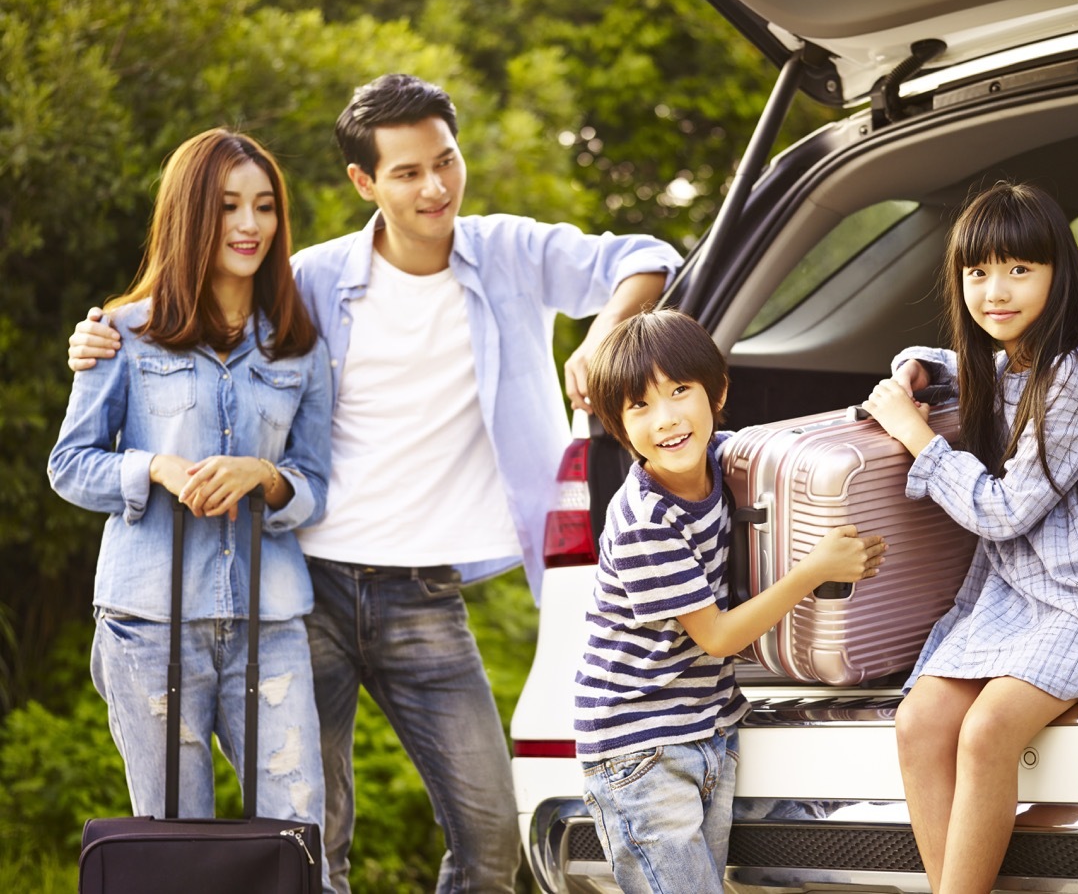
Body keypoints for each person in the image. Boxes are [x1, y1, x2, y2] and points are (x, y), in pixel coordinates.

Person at [68, 74, 682, 893]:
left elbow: (648, 256)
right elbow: (187, 323)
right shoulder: (312, 281)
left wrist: (605, 341)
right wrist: (97, 337)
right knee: (312, 840)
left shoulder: (510, 253)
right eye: (406, 171)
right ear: (364, 182)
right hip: (305, 588)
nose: (434, 187)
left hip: (426, 595)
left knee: (493, 837)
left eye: (446, 161)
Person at [861, 180, 1078, 894]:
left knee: (985, 733)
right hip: (1019, 594)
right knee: (919, 723)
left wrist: (918, 437)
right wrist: (915, 368)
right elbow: (963, 362)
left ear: (1056, 275)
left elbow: (1002, 514)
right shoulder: (1008, 363)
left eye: (1019, 269)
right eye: (977, 273)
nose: (995, 290)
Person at [47, 129, 335, 892]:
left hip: (269, 625)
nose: (249, 225)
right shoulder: (123, 334)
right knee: (177, 849)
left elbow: (314, 482)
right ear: (189, 217)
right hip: (147, 626)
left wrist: (264, 477)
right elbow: (69, 466)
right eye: (227, 206)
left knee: (301, 832)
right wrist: (157, 468)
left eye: (264, 207)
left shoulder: (300, 348)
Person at [575, 309, 887, 893]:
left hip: (708, 724)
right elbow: (716, 637)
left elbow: (806, 444)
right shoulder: (646, 519)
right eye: (640, 405)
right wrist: (813, 571)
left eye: (679, 391)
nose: (666, 419)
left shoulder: (727, 457)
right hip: (639, 747)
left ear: (717, 392)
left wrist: (893, 403)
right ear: (619, 423)